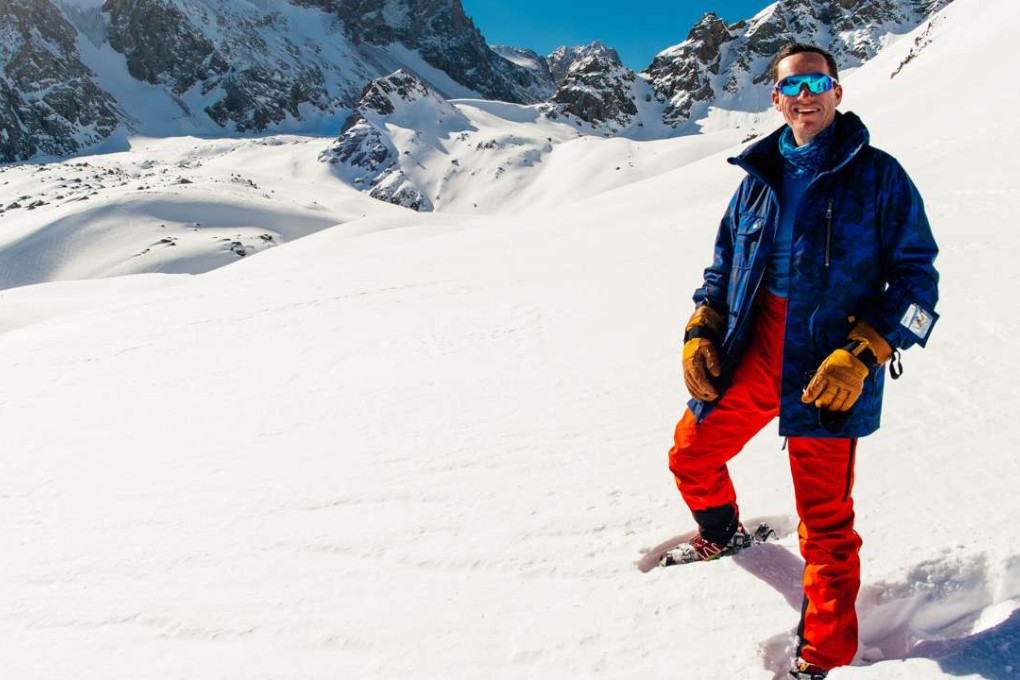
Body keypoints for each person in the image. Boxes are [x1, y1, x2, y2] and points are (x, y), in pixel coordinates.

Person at [661, 43, 940, 680]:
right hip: (756, 347)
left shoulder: (879, 176)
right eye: (793, 85)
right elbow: (722, 268)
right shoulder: (756, 181)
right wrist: (701, 328)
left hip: (830, 365)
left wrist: (866, 351)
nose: (806, 95)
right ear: (776, 98)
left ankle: (824, 656)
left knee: (825, 525)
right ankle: (724, 532)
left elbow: (919, 285)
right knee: (691, 451)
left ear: (838, 92)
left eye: (818, 82)